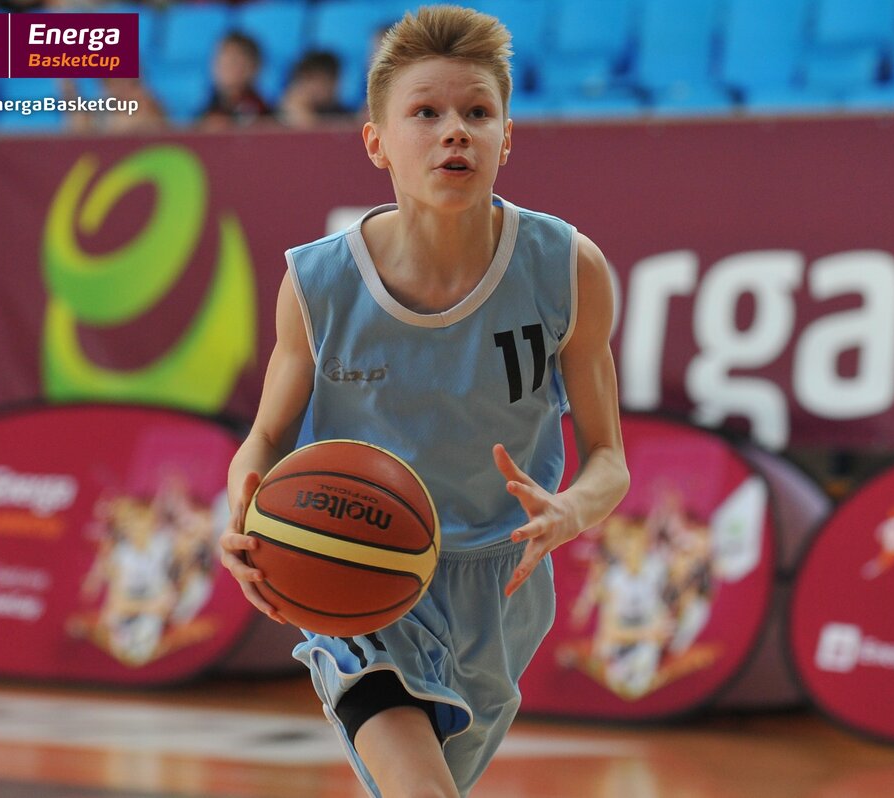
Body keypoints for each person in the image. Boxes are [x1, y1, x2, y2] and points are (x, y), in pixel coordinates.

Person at [218, 5, 629, 797]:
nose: (455, 132)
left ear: (507, 137)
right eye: (426, 113)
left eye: (477, 113)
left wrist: (570, 510)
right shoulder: (318, 283)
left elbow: (609, 458)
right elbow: (265, 438)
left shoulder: (567, 268)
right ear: (376, 141)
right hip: (353, 565)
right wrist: (242, 502)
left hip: (499, 581)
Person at [198, 31, 272, 131]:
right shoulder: (208, 108)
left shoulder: (263, 113)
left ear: (254, 67)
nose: (225, 66)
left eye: (234, 60)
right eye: (222, 58)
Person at [277, 50, 352, 129]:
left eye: (324, 81)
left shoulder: (343, 116)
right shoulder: (277, 115)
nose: (317, 88)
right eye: (311, 79)